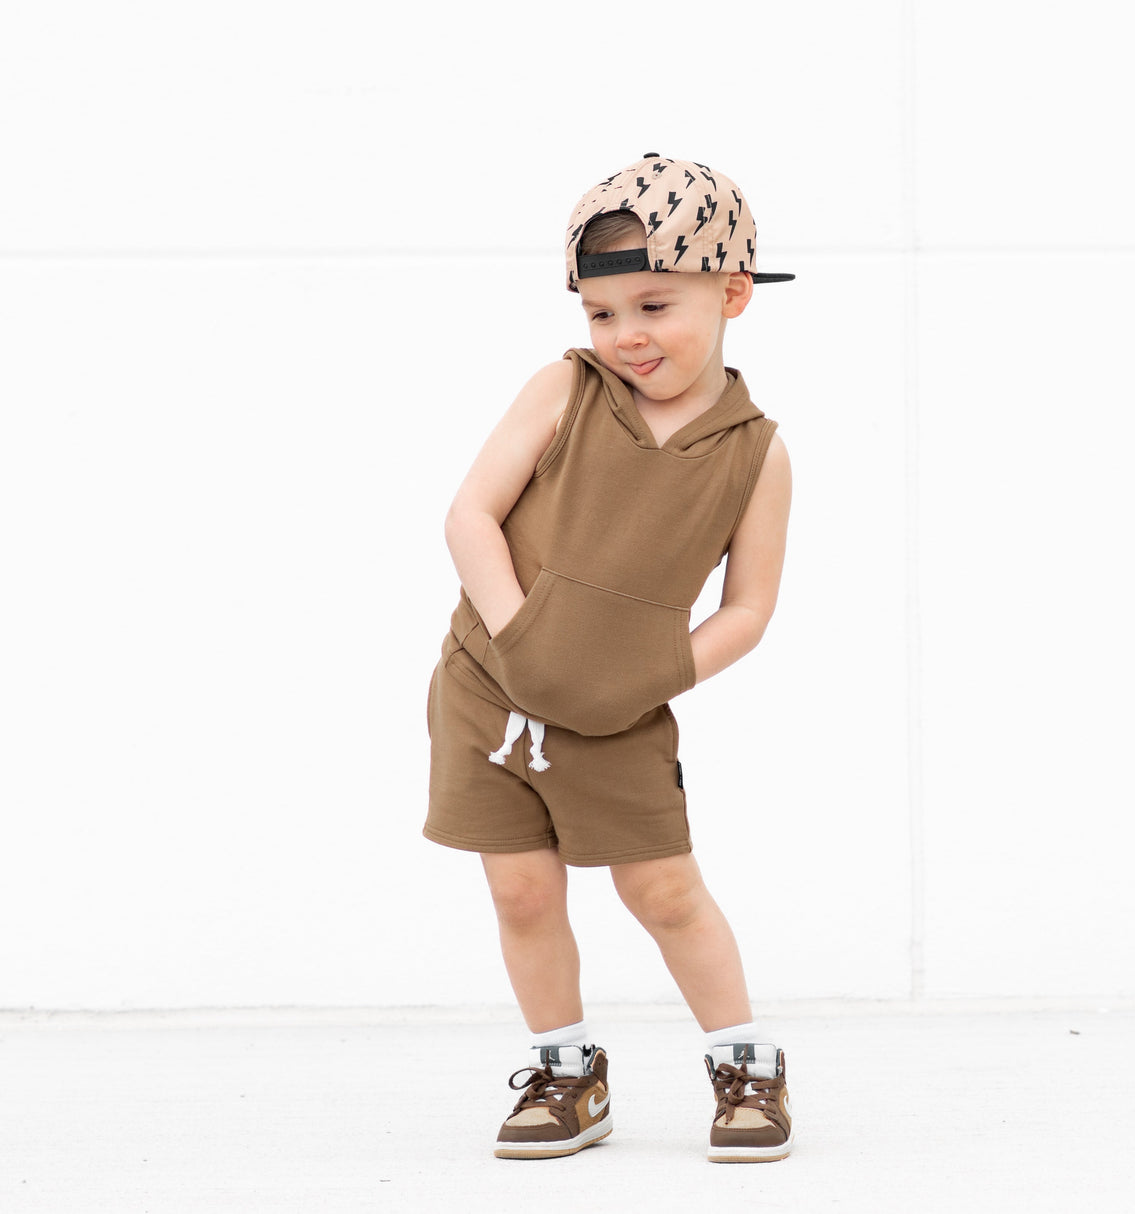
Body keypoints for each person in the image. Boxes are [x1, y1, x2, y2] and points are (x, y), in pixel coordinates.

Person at [423, 154, 795, 1163]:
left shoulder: (755, 452)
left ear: (731, 293)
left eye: (653, 305)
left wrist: (650, 676)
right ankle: (566, 1072)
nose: (624, 333)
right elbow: (469, 516)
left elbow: (748, 608)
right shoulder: (564, 389)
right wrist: (519, 638)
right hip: (488, 688)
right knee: (521, 891)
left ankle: (746, 1065)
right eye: (600, 311)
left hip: (618, 711)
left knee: (662, 892)